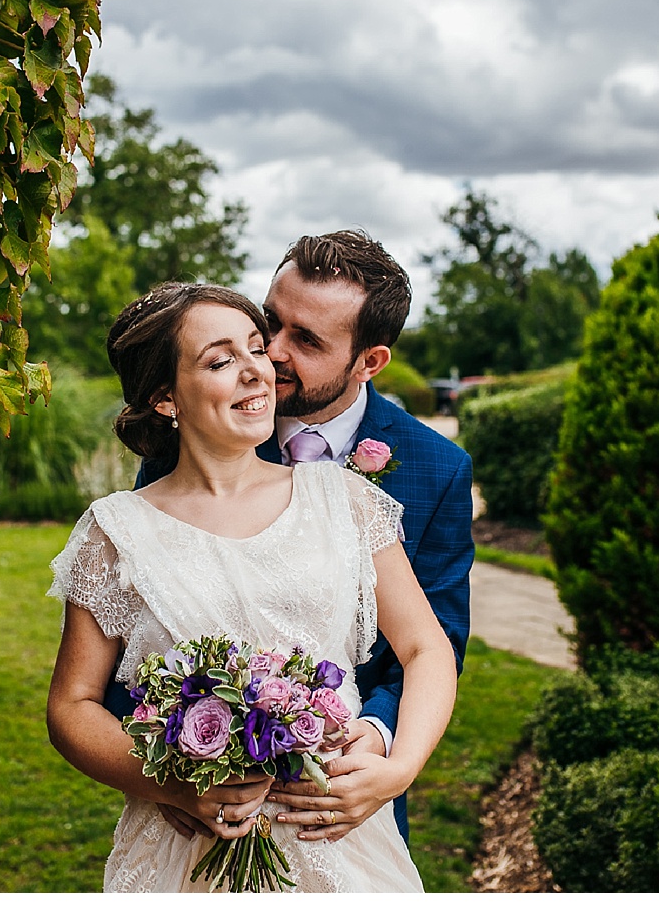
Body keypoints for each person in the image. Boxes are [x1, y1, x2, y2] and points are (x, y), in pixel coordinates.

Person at [46, 283, 456, 891]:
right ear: (165, 398)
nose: (256, 373)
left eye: (257, 349)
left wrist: (398, 769)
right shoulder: (116, 531)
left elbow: (427, 649)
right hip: (187, 853)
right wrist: (172, 785)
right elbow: (71, 705)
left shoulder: (345, 501)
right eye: (219, 361)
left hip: (339, 842)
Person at [123, 231, 474, 844]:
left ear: (369, 362)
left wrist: (385, 746)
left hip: (339, 798)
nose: (272, 354)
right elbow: (137, 626)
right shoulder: (193, 434)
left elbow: (433, 640)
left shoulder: (434, 470)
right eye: (271, 322)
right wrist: (165, 771)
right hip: (199, 805)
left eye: (306, 340)